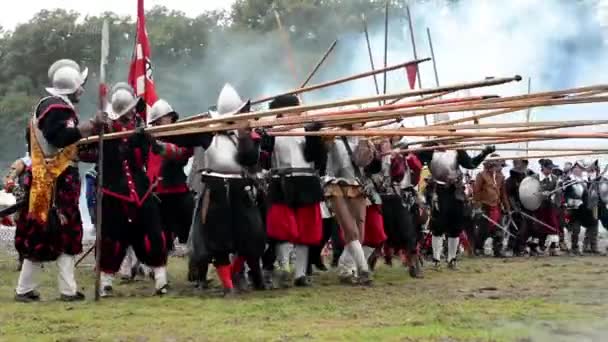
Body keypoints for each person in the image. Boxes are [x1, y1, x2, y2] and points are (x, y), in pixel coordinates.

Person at [14, 59, 102, 302]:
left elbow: (67, 146)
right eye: (80, 85)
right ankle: (58, 290)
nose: (82, 90)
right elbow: (60, 137)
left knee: (52, 233)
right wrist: (91, 126)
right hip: (55, 181)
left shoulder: (53, 107)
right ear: (72, 86)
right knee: (57, 232)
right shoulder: (56, 108)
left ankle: (58, 289)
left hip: (55, 179)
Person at [92, 83, 174, 297]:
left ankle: (161, 280)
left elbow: (153, 152)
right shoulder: (106, 128)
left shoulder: (140, 125)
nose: (132, 112)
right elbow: (90, 154)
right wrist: (113, 140)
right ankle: (106, 283)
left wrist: (149, 142)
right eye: (128, 109)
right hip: (114, 191)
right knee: (112, 239)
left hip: (141, 190)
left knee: (154, 234)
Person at [190, 84, 265, 296]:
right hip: (215, 190)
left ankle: (234, 273)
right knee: (218, 240)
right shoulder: (208, 134)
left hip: (240, 188)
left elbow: (249, 160)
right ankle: (228, 286)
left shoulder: (249, 135)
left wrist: (243, 136)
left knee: (253, 237)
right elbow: (180, 140)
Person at [259, 94, 326, 287]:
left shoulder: (306, 128)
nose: (300, 111)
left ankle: (300, 274)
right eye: (296, 108)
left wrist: (315, 136)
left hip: (306, 181)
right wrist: (265, 136)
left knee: (305, 231)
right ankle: (283, 267)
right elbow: (264, 158)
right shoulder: (270, 131)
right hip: (282, 182)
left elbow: (317, 158)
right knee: (281, 229)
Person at [416, 143, 495, 269]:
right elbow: (416, 160)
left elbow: (470, 164)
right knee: (438, 225)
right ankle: (436, 259)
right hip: (438, 191)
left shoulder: (457, 151)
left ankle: (452, 259)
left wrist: (484, 153)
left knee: (455, 226)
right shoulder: (429, 150)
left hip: (455, 192)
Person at [324, 124, 382, 285]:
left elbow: (368, 166)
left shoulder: (364, 140)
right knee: (351, 229)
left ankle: (345, 268)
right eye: (359, 122)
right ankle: (363, 270)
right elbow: (321, 152)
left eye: (362, 122)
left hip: (357, 185)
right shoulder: (332, 138)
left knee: (359, 233)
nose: (361, 125)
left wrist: (372, 149)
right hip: (335, 184)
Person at [472, 155, 510, 257]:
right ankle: (478, 248)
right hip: (485, 206)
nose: (500, 167)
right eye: (497, 165)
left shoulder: (500, 177)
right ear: (490, 165)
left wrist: (507, 208)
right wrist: (478, 207)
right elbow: (476, 192)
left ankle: (497, 250)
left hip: (496, 207)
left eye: (499, 165)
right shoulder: (481, 175)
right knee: (483, 231)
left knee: (498, 230)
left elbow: (503, 194)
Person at [565, 160, 600, 255]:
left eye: (580, 168)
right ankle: (574, 248)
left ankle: (592, 246)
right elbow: (566, 194)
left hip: (586, 208)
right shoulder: (568, 179)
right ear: (573, 169)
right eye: (576, 168)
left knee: (594, 224)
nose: (578, 170)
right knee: (575, 229)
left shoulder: (586, 179)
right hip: (574, 209)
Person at [504, 159, 535, 256]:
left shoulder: (527, 179)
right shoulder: (510, 181)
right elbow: (509, 195)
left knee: (525, 229)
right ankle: (511, 248)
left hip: (527, 206)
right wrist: (514, 207)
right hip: (516, 208)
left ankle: (520, 248)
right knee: (515, 228)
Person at [534, 159, 562, 255]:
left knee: (553, 226)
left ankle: (553, 248)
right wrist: (540, 194)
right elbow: (529, 193)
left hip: (549, 206)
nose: (550, 170)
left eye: (551, 168)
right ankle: (536, 247)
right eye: (549, 168)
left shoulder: (554, 179)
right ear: (543, 167)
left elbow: (558, 195)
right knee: (538, 227)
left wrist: (558, 191)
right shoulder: (534, 178)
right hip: (536, 207)